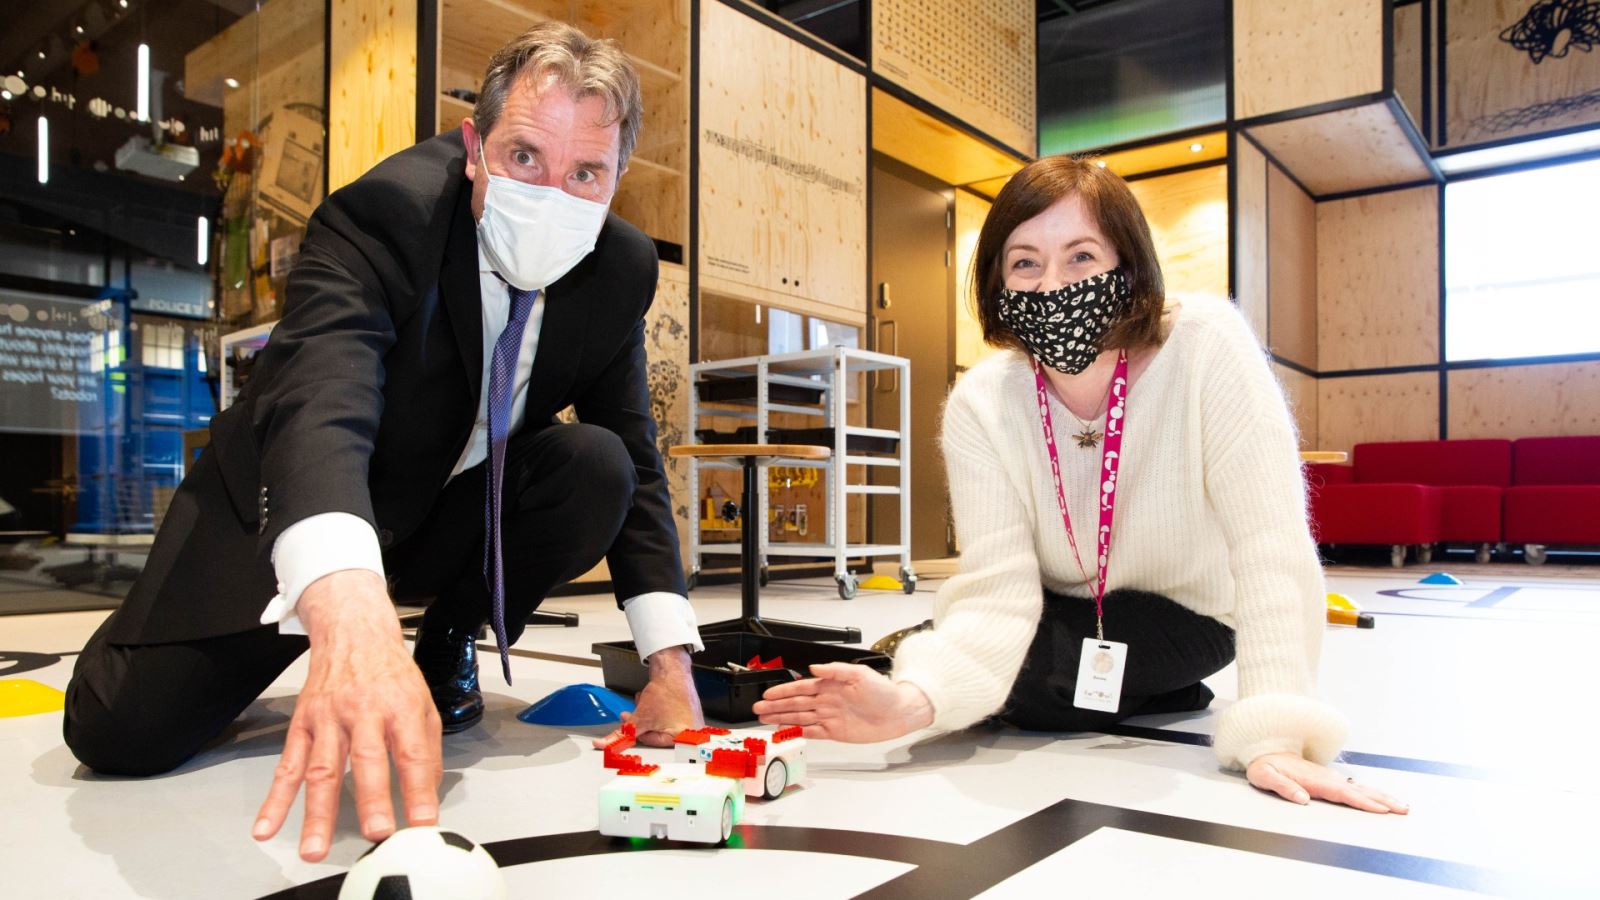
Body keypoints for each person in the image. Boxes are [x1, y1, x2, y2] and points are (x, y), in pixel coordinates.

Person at [62, 22, 707, 862]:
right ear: (474, 148)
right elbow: (322, 401)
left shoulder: (616, 268)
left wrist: (670, 668)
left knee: (598, 467)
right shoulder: (387, 213)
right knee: (122, 733)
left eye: (586, 173)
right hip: (295, 502)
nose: (553, 194)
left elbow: (634, 449)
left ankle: (449, 636)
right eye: (524, 158)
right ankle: (256, 625)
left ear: (618, 179)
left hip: (441, 513)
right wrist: (346, 609)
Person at [754, 155, 1408, 815]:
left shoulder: (1208, 347)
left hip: (1191, 612)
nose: (1053, 285)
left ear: (1128, 264)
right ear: (997, 282)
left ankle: (967, 662)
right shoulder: (982, 401)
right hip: (1057, 602)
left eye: (1081, 257)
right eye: (1026, 263)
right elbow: (998, 591)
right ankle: (1077, 682)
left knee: (1033, 680)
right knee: (997, 648)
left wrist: (1276, 735)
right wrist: (913, 704)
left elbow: (1271, 547)